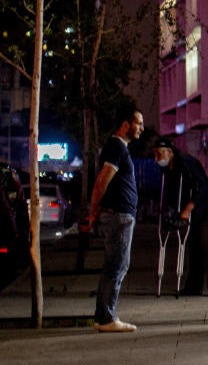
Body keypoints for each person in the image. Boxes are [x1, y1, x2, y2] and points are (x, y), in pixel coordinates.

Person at [83, 105, 144, 332]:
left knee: (116, 264)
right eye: (138, 123)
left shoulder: (118, 148)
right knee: (117, 264)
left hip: (121, 214)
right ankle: (107, 318)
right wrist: (93, 212)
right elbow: (101, 181)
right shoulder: (116, 147)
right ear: (125, 124)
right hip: (119, 215)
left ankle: (103, 316)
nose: (142, 128)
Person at [152, 138, 208, 296]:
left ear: (170, 152)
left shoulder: (184, 162)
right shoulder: (167, 170)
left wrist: (188, 208)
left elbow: (201, 185)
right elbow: (171, 190)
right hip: (192, 212)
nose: (156, 159)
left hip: (205, 209)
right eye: (154, 155)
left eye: (159, 154)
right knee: (194, 248)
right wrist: (165, 207)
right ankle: (194, 287)